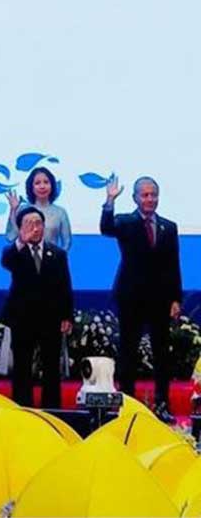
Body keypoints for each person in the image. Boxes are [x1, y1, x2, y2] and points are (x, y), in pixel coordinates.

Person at [101, 175, 182, 423]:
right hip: (131, 298)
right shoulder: (126, 222)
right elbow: (106, 229)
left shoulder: (169, 227)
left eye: (153, 194)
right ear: (135, 198)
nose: (150, 199)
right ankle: (128, 405)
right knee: (128, 352)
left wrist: (175, 299)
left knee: (161, 355)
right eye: (145, 195)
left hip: (160, 300)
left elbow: (173, 265)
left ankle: (162, 404)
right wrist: (109, 201)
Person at [0, 206, 73, 409]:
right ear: (20, 228)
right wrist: (21, 241)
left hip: (51, 319)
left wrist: (67, 316)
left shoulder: (57, 253)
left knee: (51, 367)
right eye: (29, 224)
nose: (35, 228)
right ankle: (23, 409)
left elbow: (65, 285)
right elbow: (7, 262)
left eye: (38, 223)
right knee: (22, 367)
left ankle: (52, 410)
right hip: (22, 318)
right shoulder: (14, 252)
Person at [5, 167, 72, 251]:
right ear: (31, 187)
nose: (42, 186)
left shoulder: (60, 212)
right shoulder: (22, 210)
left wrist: (57, 260)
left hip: (50, 261)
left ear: (52, 185)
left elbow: (67, 242)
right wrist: (13, 210)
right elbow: (10, 237)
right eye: (37, 183)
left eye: (46, 182)